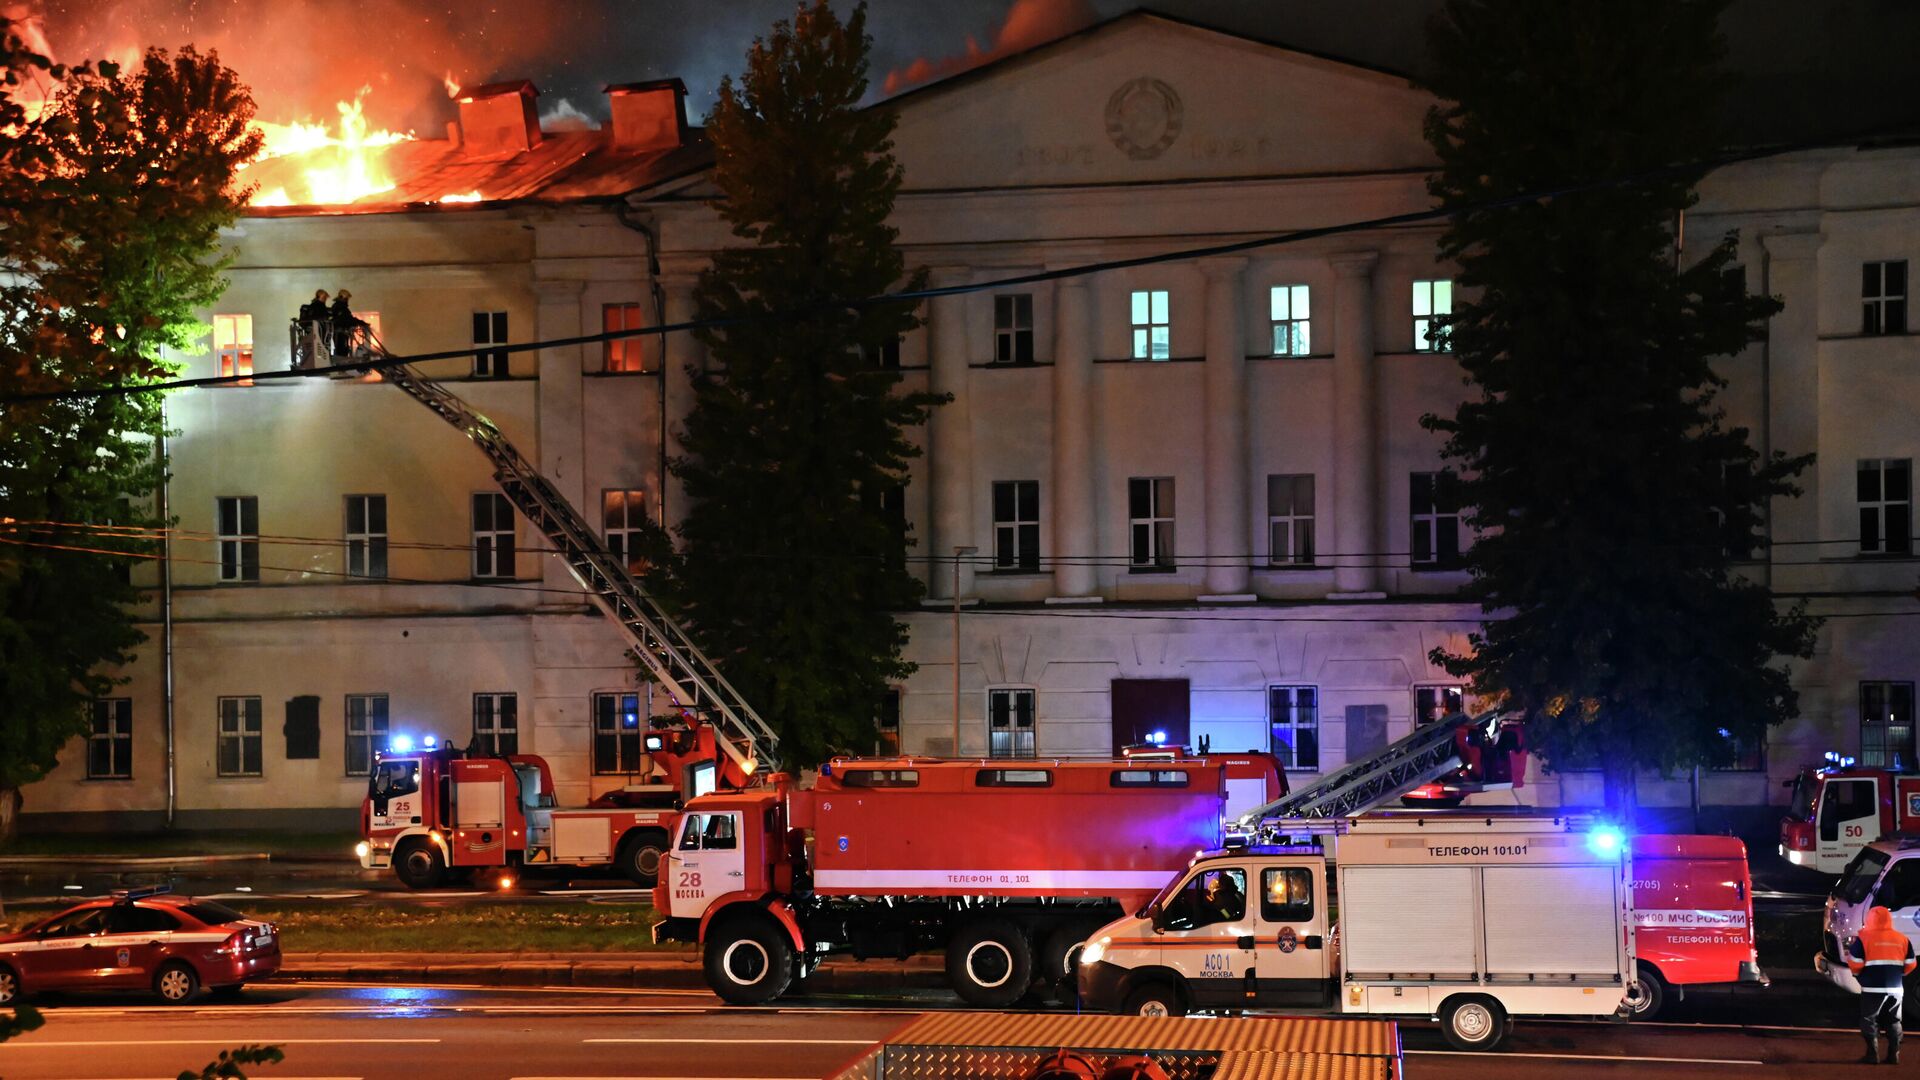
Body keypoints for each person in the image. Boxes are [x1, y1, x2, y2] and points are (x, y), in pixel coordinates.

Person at [1847, 904, 1916, 1064]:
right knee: (1894, 1020)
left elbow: (1855, 963)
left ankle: (1872, 1054)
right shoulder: (1902, 939)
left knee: (1869, 1019)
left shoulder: (1864, 938)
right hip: (1896, 988)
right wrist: (1899, 974)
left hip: (1872, 987)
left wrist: (1859, 976)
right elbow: (1911, 963)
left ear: (1870, 920)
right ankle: (1894, 1055)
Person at [294, 289, 329, 369]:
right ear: (321, 297)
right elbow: (320, 317)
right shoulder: (318, 306)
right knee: (318, 346)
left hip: (314, 331)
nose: (325, 300)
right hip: (318, 331)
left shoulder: (314, 306)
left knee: (313, 347)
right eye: (324, 298)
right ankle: (319, 362)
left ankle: (311, 361)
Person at [329, 289, 365, 357]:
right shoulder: (340, 307)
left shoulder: (339, 307)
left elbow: (348, 318)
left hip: (341, 333)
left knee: (343, 349)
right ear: (343, 298)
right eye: (346, 298)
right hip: (340, 333)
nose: (347, 300)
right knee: (341, 350)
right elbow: (347, 319)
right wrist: (360, 322)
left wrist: (358, 322)